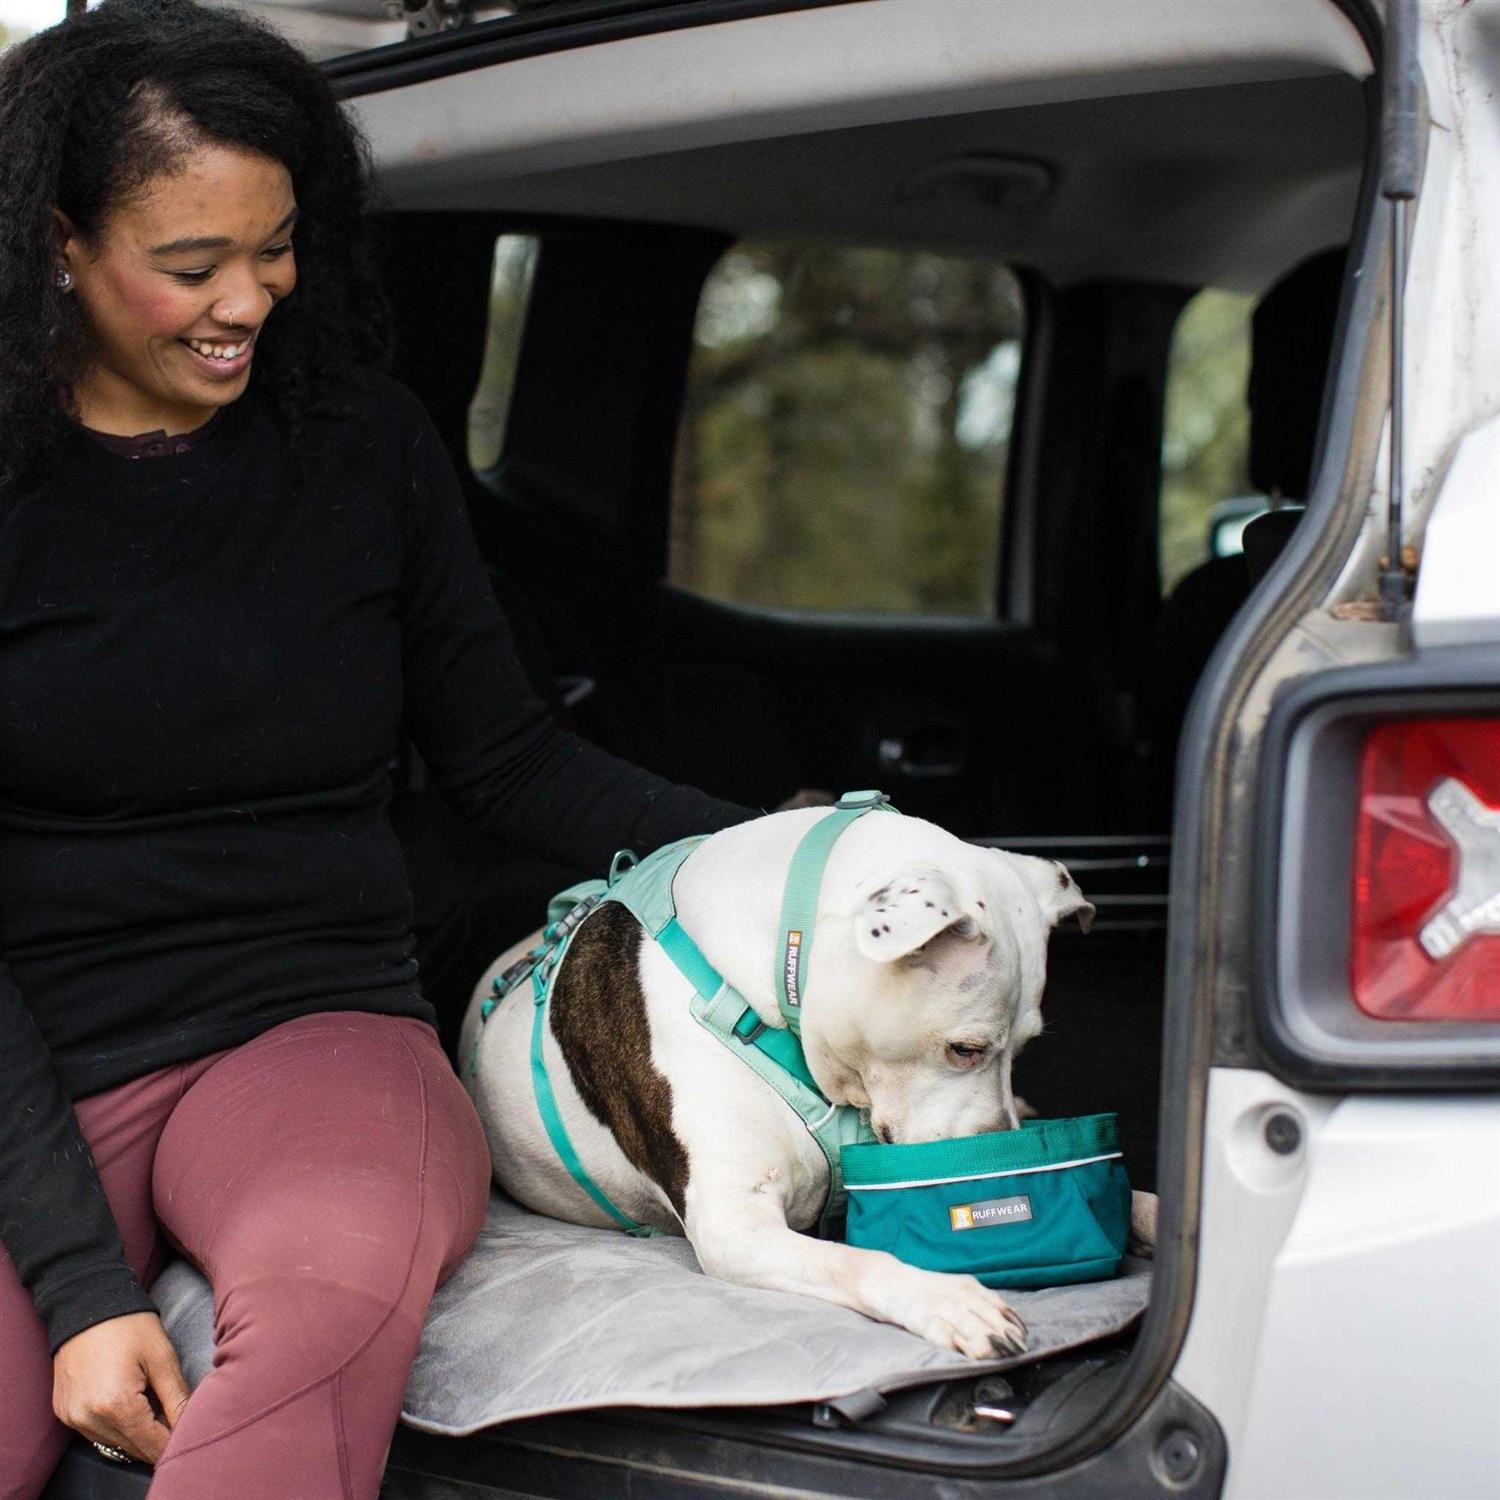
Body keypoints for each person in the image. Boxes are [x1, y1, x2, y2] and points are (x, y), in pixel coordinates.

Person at [0, 1, 756, 1494]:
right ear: (59, 245)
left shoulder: (363, 445)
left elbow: (510, 763)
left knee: (327, 1304)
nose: (248, 300)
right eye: (192, 266)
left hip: (315, 1024)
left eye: (276, 249)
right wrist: (81, 1291)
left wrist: (789, 851)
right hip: (32, 1050)